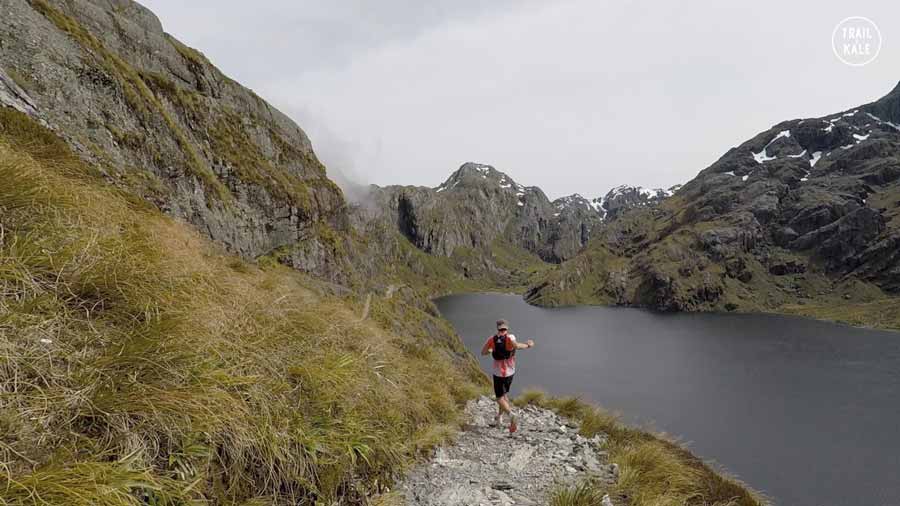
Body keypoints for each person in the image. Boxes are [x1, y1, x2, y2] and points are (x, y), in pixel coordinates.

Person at [480, 318, 535, 433]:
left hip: (498, 373)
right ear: (507, 328)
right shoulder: (511, 337)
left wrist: (490, 350)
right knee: (504, 396)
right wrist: (528, 345)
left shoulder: (492, 339)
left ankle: (511, 415)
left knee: (499, 398)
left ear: (497, 328)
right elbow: (517, 346)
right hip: (510, 372)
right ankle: (499, 419)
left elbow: (483, 352)